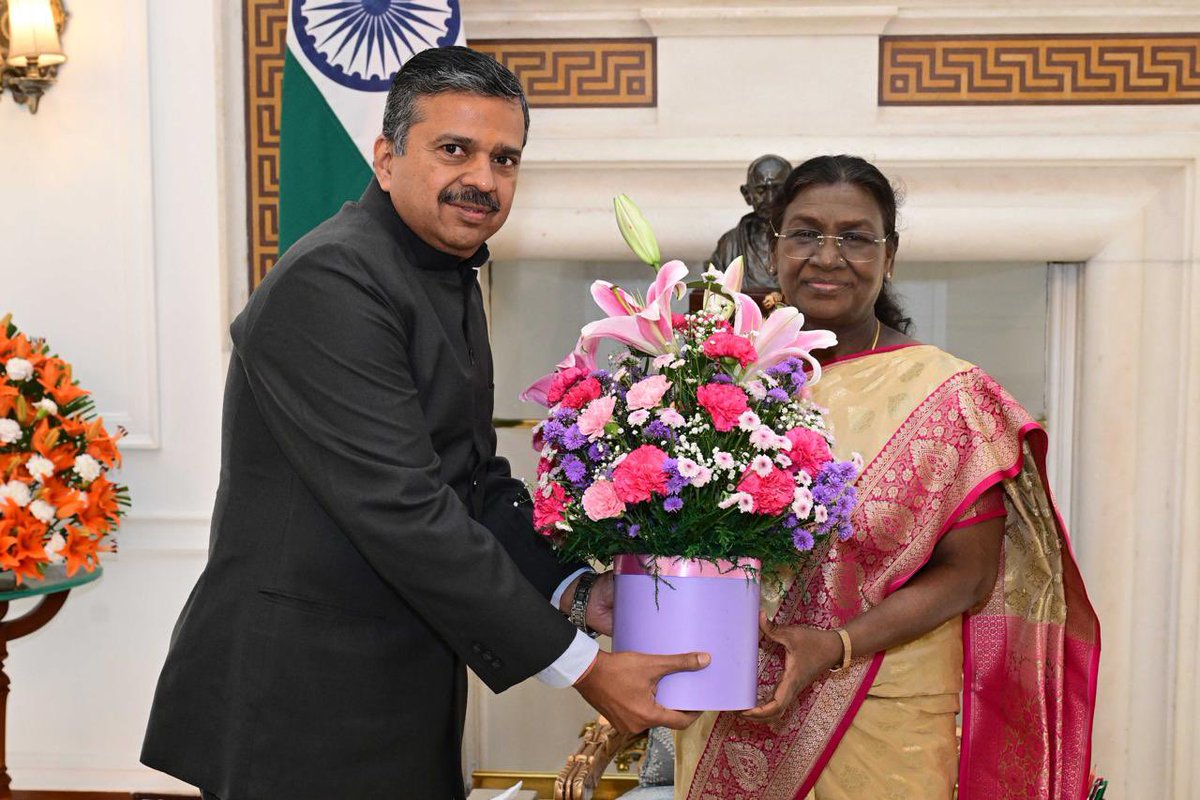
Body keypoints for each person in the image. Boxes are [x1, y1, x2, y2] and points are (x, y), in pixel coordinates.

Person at [141, 47, 706, 800]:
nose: (483, 177)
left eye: (504, 159)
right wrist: (582, 665)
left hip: (396, 678)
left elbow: (470, 478)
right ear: (385, 156)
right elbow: (403, 507)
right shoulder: (332, 280)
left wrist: (574, 588)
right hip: (300, 698)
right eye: (454, 150)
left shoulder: (443, 268)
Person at [678, 155, 1099, 799]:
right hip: (733, 701)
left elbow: (970, 574)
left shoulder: (948, 394)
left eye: (854, 236)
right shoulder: (716, 381)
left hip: (887, 705)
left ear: (889, 255)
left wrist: (837, 644)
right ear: (772, 244)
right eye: (805, 232)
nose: (827, 256)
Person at [709, 154, 792, 290]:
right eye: (761, 190)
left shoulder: (810, 239)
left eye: (777, 189)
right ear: (747, 194)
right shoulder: (729, 244)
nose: (770, 199)